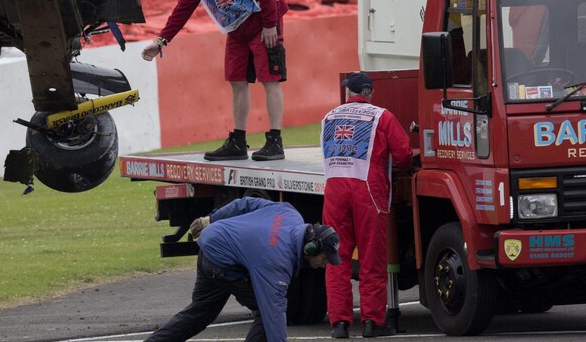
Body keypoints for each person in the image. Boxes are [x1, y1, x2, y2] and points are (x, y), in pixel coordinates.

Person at [142, 0, 289, 162]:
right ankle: (238, 141)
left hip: (262, 22)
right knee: (236, 81)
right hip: (236, 28)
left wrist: (270, 23)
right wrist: (161, 41)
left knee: (270, 79)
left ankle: (275, 141)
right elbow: (183, 8)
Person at [145, 196, 341, 341]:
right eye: (324, 258)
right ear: (310, 248)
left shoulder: (289, 213)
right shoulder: (278, 261)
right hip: (221, 261)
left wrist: (210, 219)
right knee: (266, 314)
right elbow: (274, 312)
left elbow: (246, 203)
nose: (324, 264)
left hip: (209, 248)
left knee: (199, 314)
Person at [321, 72, 411, 339]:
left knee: (336, 258)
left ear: (350, 92)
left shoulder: (329, 117)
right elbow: (404, 154)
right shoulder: (382, 116)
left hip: (334, 192)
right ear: (370, 93)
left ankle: (339, 324)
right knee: (372, 259)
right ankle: (372, 322)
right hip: (368, 192)